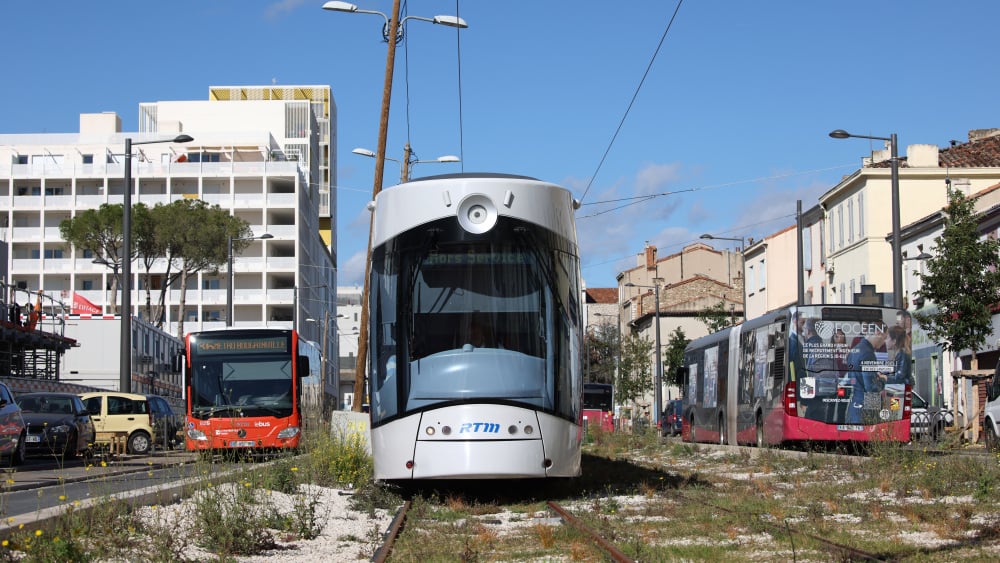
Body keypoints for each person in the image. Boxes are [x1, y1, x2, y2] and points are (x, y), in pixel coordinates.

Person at [845, 323, 889, 424]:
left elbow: (854, 377)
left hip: (854, 404)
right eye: (884, 337)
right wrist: (883, 380)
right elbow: (871, 387)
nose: (884, 342)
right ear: (878, 333)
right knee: (868, 438)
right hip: (867, 406)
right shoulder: (868, 353)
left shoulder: (855, 349)